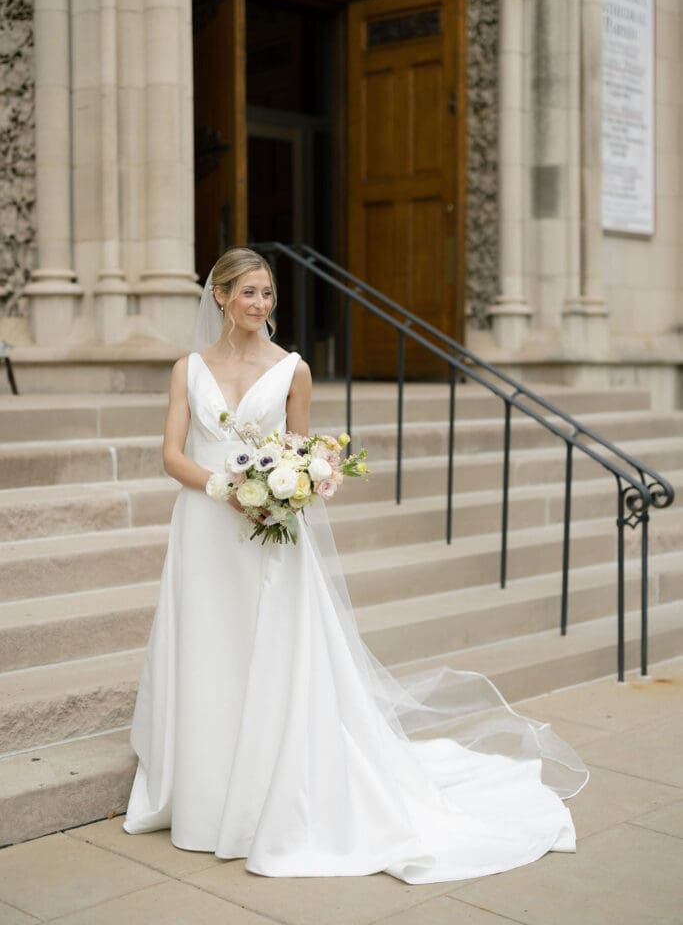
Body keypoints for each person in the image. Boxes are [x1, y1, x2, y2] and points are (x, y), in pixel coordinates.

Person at [122, 247, 589, 883]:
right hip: (204, 529)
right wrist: (223, 489)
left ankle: (262, 798)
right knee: (208, 652)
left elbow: (299, 458)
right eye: (250, 292)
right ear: (221, 297)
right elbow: (172, 456)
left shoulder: (294, 370)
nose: (262, 303)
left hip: (267, 535)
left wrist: (284, 488)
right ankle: (202, 796)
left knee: (268, 653)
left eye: (269, 293)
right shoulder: (187, 370)